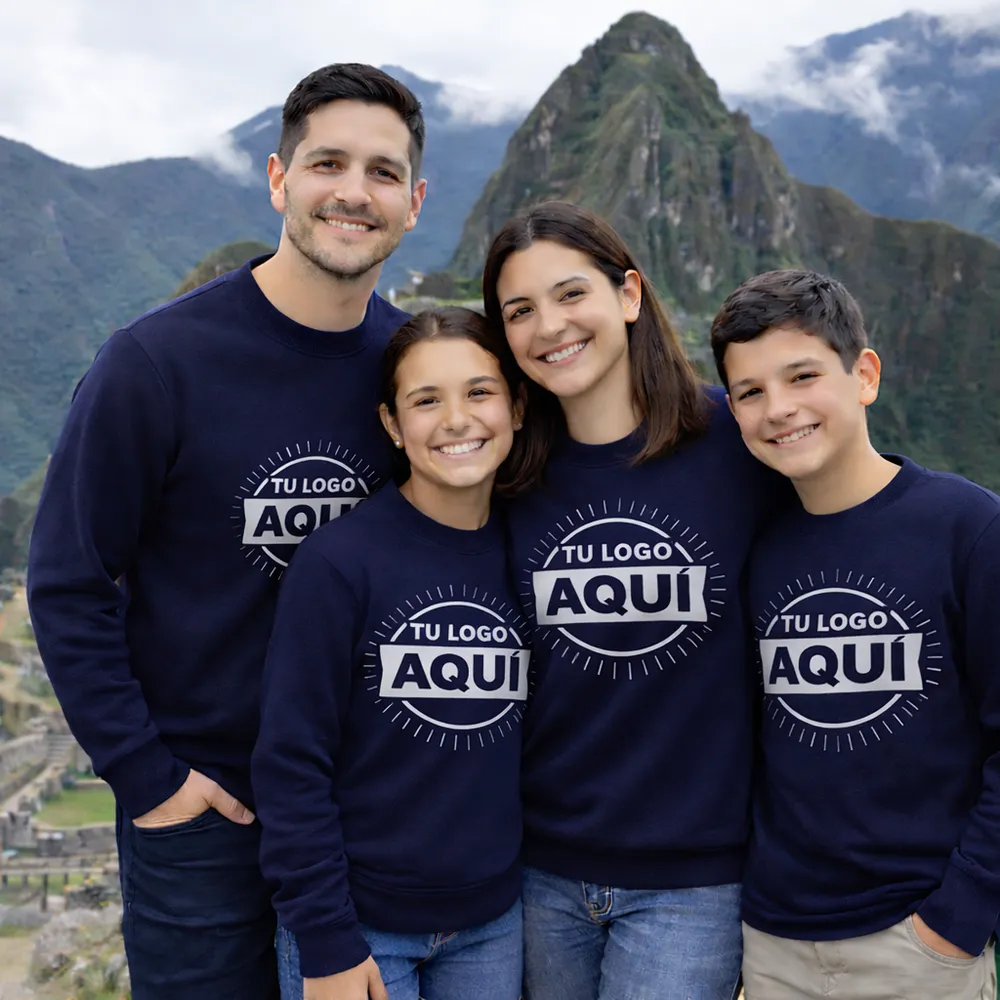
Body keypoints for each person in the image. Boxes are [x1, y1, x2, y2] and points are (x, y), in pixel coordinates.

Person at [25, 63, 426, 1000]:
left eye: (382, 172)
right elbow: (68, 580)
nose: (354, 191)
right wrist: (150, 781)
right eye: (327, 163)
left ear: (413, 203)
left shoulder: (415, 374)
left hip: (368, 808)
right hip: (209, 814)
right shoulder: (156, 364)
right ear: (280, 179)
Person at [481, 201, 787, 1000]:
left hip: (692, 879)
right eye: (520, 311)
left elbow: (858, 518)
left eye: (570, 294)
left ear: (628, 294)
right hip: (540, 871)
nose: (550, 326)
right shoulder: (503, 474)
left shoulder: (735, 445)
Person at [710, 268, 1000, 1000]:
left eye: (802, 376)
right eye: (750, 392)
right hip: (774, 941)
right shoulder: (754, 546)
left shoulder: (967, 529)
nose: (779, 408)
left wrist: (958, 917)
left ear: (864, 375)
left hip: (919, 943)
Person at [252, 307, 528, 1000]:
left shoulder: (532, 558)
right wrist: (326, 940)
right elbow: (291, 761)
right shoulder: (340, 564)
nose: (457, 420)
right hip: (360, 927)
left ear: (517, 408)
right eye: (426, 401)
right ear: (392, 424)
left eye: (479, 392)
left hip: (493, 924)